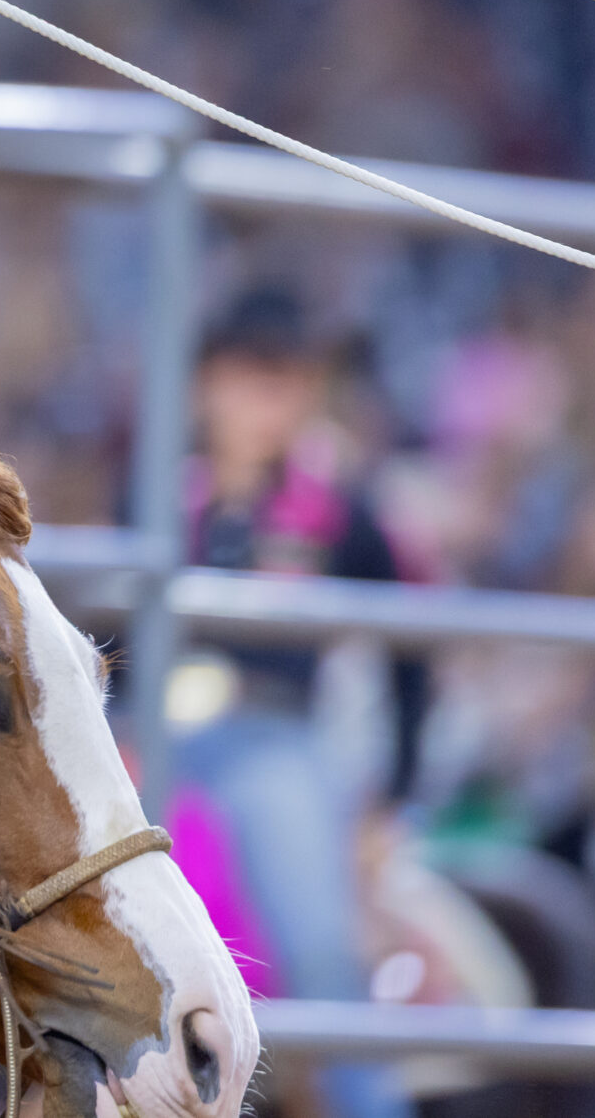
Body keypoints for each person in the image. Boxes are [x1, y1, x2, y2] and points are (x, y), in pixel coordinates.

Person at [171, 286, 409, 1118]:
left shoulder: (338, 509)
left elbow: (413, 643)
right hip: (151, 741)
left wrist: (391, 797)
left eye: (286, 381)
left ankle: (366, 1100)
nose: (266, 403)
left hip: (275, 737)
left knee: (318, 945)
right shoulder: (167, 495)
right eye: (248, 378)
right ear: (207, 383)